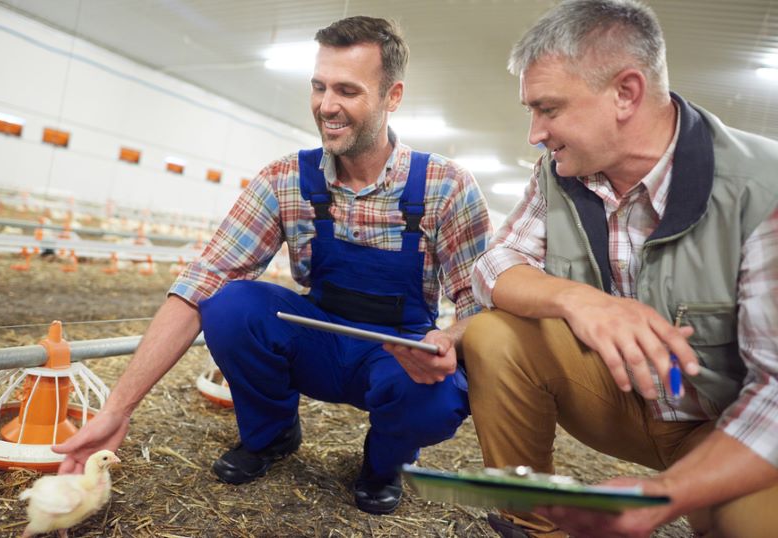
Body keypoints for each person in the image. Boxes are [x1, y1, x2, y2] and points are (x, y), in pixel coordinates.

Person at [53, 16, 491, 516]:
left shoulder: (446, 187)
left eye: (347, 90)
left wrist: (446, 340)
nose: (327, 106)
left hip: (397, 352)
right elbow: (203, 280)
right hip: (319, 337)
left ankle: (383, 462)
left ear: (392, 97)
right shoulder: (285, 179)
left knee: (438, 395)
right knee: (231, 305)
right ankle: (273, 433)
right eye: (319, 87)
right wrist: (117, 409)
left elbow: (483, 309)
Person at [463, 1, 778, 537]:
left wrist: (666, 493)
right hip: (618, 403)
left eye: (549, 109)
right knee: (492, 334)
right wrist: (580, 300)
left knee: (748, 520)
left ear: (626, 93)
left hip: (720, 425)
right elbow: (496, 263)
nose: (534, 134)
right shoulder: (560, 175)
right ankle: (534, 525)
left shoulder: (760, 189)